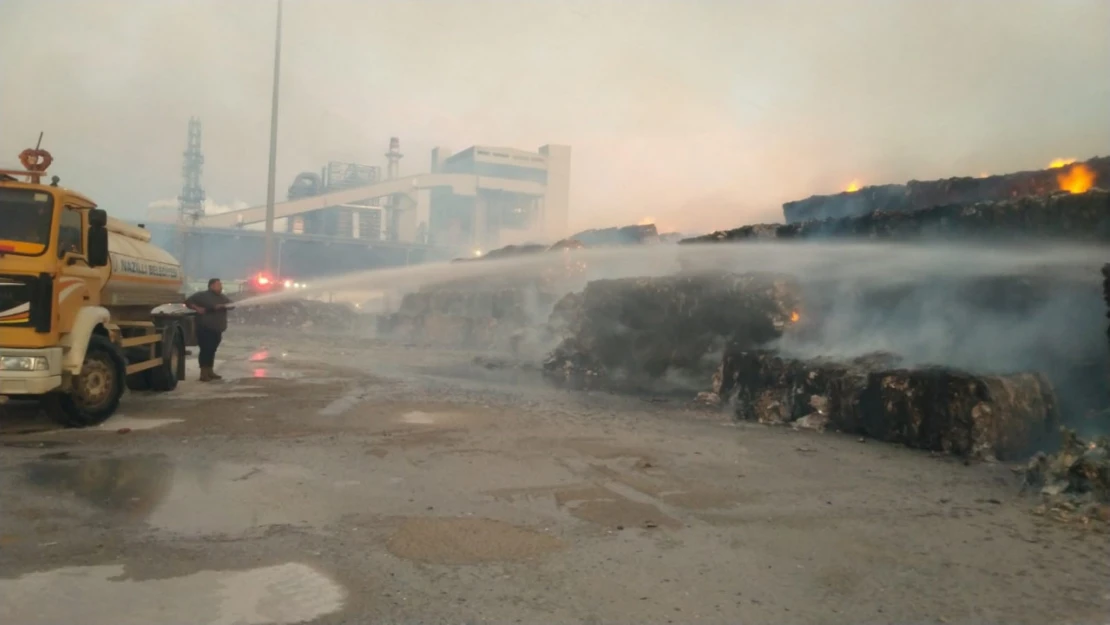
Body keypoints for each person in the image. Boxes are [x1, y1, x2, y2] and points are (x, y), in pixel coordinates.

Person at [185, 278, 232, 382]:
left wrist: (224, 306)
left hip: (217, 329)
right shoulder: (202, 296)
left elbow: (231, 305)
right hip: (205, 328)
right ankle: (203, 373)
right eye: (218, 284)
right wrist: (197, 308)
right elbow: (188, 301)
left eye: (221, 284)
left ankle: (210, 370)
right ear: (211, 286)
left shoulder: (222, 297)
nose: (221, 286)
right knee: (206, 349)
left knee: (212, 349)